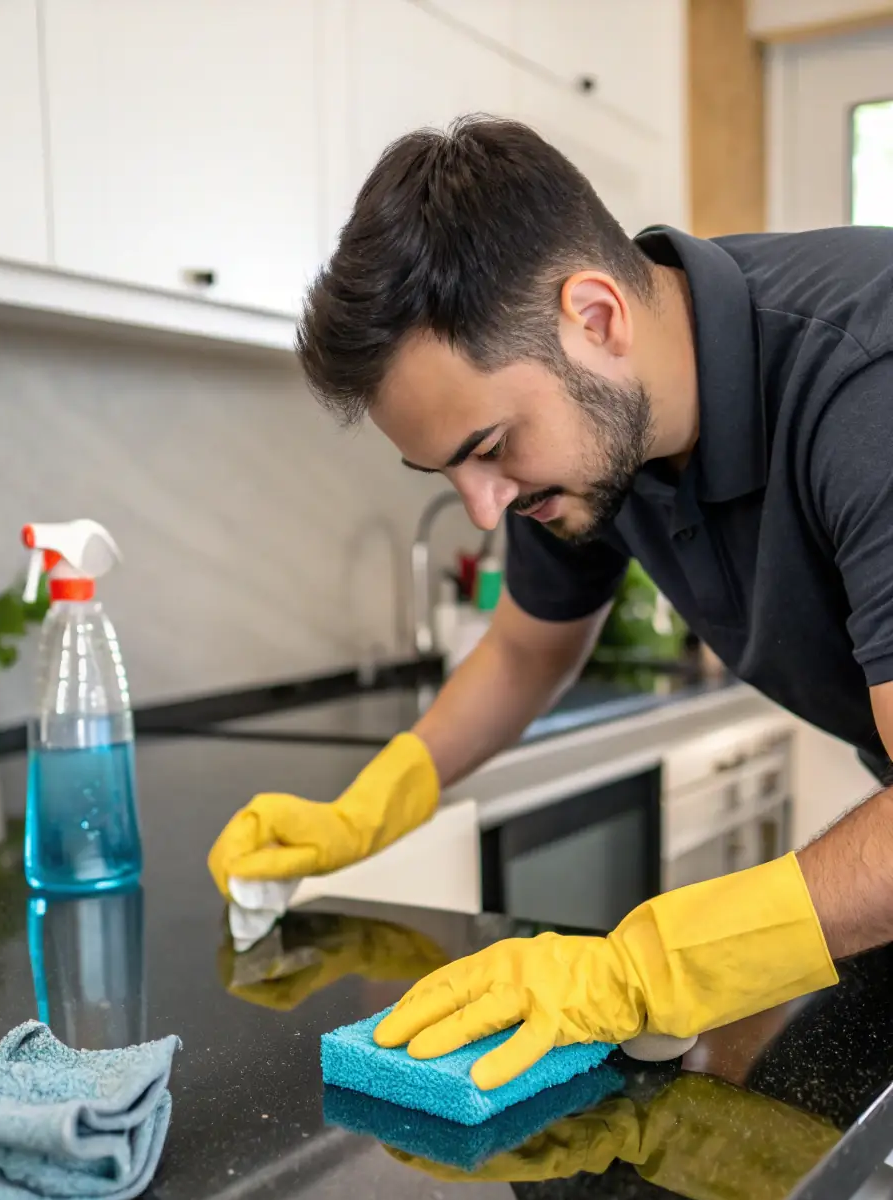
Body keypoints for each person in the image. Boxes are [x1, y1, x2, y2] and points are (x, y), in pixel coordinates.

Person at [210, 116, 893, 1091]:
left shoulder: (866, 378)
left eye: (489, 448)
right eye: (446, 470)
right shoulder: (592, 433)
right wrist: (371, 803)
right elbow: (528, 650)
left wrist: (646, 967)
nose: (483, 506)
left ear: (597, 319)